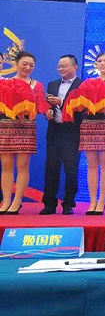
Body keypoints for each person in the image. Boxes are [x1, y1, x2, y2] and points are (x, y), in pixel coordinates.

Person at [62, 52, 105, 215]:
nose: (102, 63)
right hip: (89, 123)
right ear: (96, 64)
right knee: (91, 165)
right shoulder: (88, 83)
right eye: (99, 61)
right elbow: (79, 102)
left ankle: (102, 200)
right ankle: (92, 201)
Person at [0, 51, 49, 214]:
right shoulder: (5, 83)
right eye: (24, 64)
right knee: (6, 166)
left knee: (22, 165)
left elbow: (41, 107)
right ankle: (6, 200)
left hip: (26, 127)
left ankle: (17, 201)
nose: (27, 67)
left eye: (31, 65)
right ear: (16, 64)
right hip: (6, 126)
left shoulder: (37, 85)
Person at [40, 55, 82, 215]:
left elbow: (83, 110)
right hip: (54, 131)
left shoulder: (82, 86)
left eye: (64, 65)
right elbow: (47, 105)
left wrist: (62, 103)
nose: (61, 69)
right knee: (51, 167)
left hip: (72, 131)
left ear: (75, 66)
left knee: (71, 169)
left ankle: (68, 203)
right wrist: (48, 112)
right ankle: (49, 204)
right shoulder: (52, 84)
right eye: (59, 66)